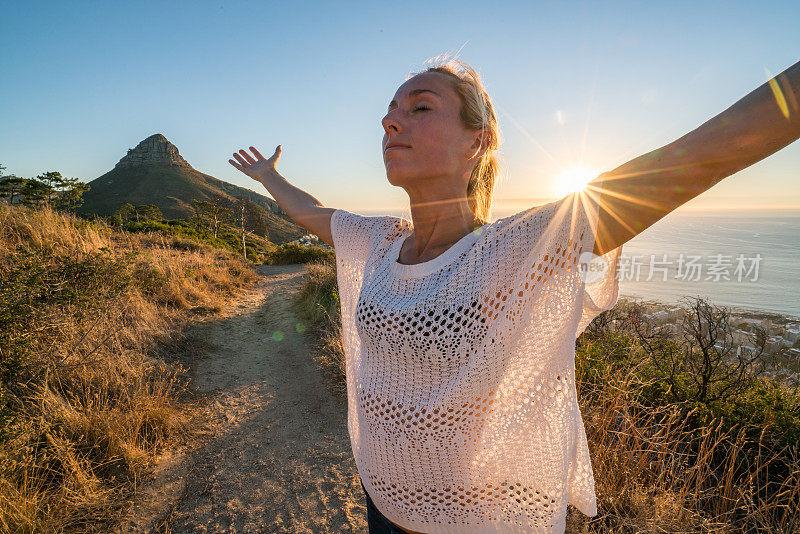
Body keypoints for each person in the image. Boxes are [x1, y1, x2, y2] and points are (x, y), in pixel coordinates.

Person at [229, 56, 799, 533]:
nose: (390, 124)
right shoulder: (378, 242)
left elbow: (704, 155)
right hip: (380, 494)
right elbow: (310, 213)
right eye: (389, 114)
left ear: (477, 141)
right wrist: (269, 178)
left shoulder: (517, 249)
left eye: (419, 108)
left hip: (474, 517)